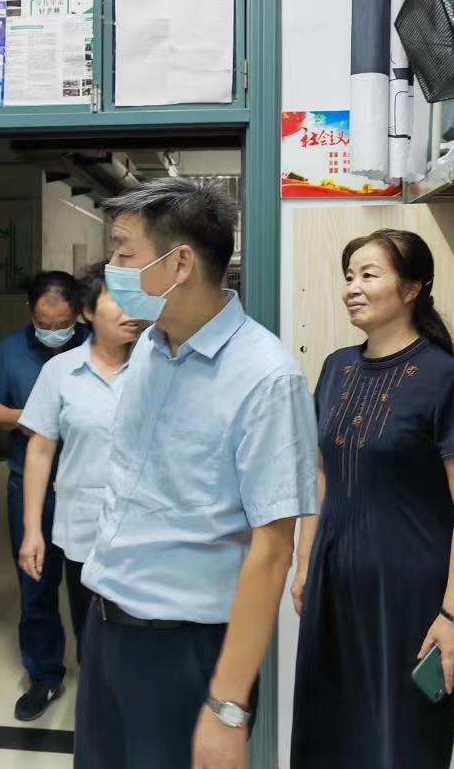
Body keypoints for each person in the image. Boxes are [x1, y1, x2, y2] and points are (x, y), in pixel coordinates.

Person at [74, 177, 319, 769]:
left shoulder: (266, 378)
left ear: (180, 263)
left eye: (124, 254)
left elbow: (272, 550)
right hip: (106, 624)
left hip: (183, 647)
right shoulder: (150, 348)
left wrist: (227, 705)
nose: (112, 270)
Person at [291, 229, 454, 769]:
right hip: (335, 582)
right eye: (349, 276)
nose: (352, 287)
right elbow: (320, 472)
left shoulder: (448, 379)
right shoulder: (336, 367)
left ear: (411, 288)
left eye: (369, 274)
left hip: (411, 592)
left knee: (405, 739)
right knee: (332, 733)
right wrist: (305, 561)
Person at [17, 262, 142, 656]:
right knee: (92, 640)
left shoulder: (159, 366)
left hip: (148, 532)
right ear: (87, 312)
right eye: (118, 301)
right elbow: (40, 451)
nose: (132, 311)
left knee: (142, 645)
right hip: (83, 528)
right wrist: (32, 530)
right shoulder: (60, 372)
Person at [0, 270, 89, 721]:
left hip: (86, 485)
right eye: (43, 324)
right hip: (29, 483)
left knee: (90, 586)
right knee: (36, 582)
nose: (52, 332)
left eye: (61, 324)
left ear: (78, 314)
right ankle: (44, 675)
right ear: (30, 313)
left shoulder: (97, 347)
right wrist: (36, 416)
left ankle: (98, 675)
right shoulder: (10, 350)